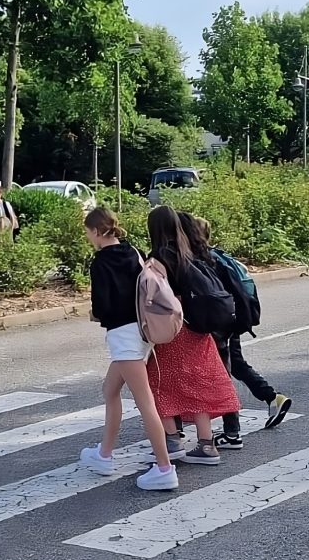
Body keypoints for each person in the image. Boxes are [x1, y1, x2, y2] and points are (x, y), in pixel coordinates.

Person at [80, 207, 178, 491]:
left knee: (144, 402)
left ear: (98, 232)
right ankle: (104, 454)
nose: (88, 238)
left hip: (123, 336)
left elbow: (101, 308)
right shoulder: (131, 251)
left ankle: (164, 468)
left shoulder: (100, 262)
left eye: (88, 233)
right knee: (110, 390)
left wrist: (94, 314)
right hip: (141, 331)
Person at [147, 206, 240, 465]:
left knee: (158, 382)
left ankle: (172, 439)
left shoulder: (158, 258)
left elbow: (154, 296)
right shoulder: (188, 253)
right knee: (197, 386)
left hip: (173, 331)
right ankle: (207, 444)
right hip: (198, 329)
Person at [197, 216, 292, 447]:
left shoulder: (207, 261)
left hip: (221, 324)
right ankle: (272, 397)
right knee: (235, 363)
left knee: (224, 372)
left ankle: (232, 430)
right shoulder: (218, 255)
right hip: (232, 318)